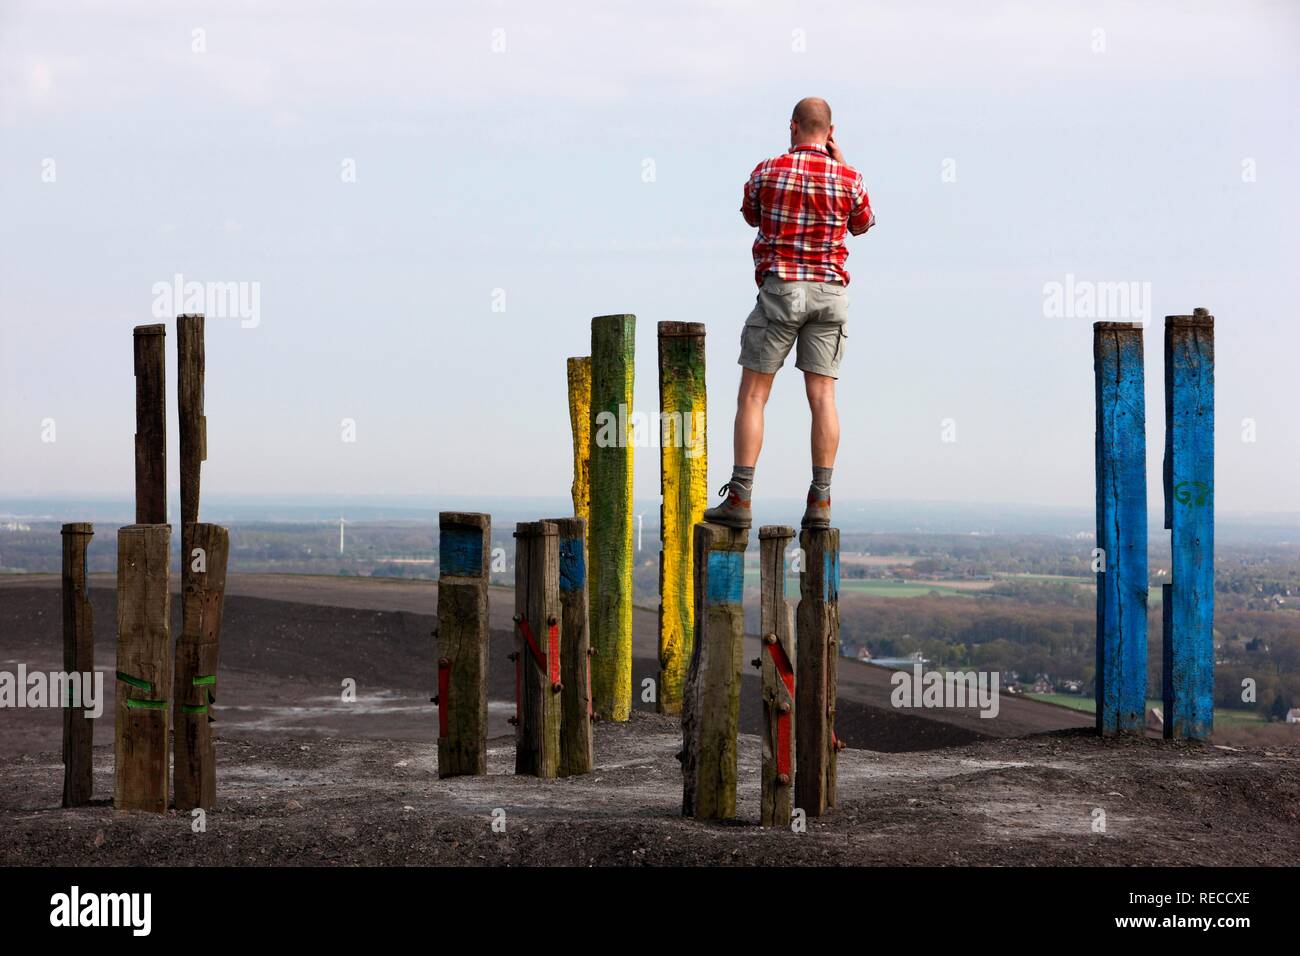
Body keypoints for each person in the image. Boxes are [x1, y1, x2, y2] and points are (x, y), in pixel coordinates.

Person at [703, 96, 875, 531]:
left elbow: (749, 215)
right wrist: (840, 163)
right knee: (823, 397)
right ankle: (820, 500)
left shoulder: (768, 170)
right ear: (830, 132)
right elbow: (862, 223)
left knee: (754, 395)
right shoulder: (850, 178)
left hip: (781, 291)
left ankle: (740, 498)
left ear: (794, 126)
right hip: (829, 294)